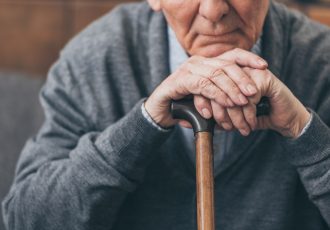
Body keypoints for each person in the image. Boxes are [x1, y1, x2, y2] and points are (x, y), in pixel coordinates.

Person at [3, 0, 330, 229]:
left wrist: (304, 132)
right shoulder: (93, 60)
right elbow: (23, 221)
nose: (214, 10)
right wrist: (142, 126)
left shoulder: (322, 62)